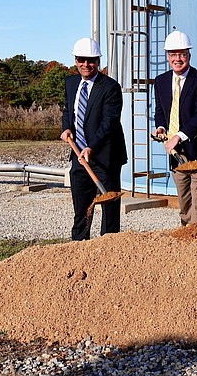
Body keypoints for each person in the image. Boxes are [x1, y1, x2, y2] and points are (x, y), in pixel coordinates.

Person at [60, 38, 127, 241]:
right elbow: (67, 110)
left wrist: (92, 147)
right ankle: (79, 246)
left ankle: (108, 248)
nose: (86, 64)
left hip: (106, 156)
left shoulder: (110, 87)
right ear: (75, 60)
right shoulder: (70, 83)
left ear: (98, 61)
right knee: (81, 206)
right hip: (79, 156)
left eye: (91, 60)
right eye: (81, 60)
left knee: (109, 210)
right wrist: (66, 128)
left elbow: (110, 122)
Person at [152, 31, 197, 225]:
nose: (177, 59)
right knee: (185, 207)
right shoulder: (161, 81)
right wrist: (161, 127)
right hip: (177, 156)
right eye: (173, 54)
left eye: (182, 54)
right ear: (167, 56)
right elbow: (161, 111)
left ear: (189, 55)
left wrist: (179, 136)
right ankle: (187, 247)